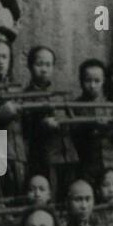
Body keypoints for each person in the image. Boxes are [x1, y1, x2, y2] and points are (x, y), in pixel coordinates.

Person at [22, 45, 80, 197]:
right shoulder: (25, 96)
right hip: (44, 157)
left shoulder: (60, 94)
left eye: (48, 65)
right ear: (30, 66)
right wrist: (42, 125)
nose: (44, 69)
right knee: (50, 196)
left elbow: (72, 119)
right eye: (39, 64)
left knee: (69, 195)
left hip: (68, 155)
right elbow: (25, 129)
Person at [0, 40, 28, 195]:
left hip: (18, 151)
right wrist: (2, 113)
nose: (0, 61)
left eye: (4, 57)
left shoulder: (17, 88)